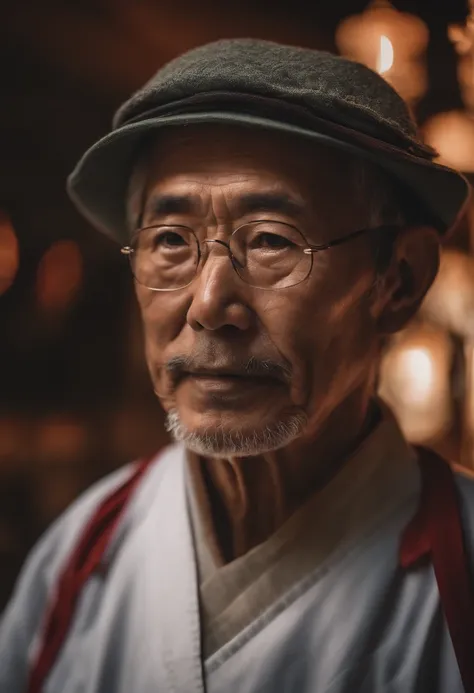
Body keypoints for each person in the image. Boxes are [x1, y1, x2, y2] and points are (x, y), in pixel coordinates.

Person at [1, 38, 473, 693]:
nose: (209, 303)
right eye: (170, 241)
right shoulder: (76, 559)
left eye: (273, 241)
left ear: (397, 280)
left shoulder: (461, 579)